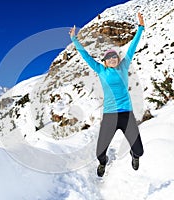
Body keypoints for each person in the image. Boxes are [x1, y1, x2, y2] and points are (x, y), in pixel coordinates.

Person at [69, 13, 145, 177]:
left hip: (126, 114)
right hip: (110, 115)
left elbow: (133, 46)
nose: (112, 59)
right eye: (109, 57)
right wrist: (74, 39)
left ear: (118, 59)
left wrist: (141, 27)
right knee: (99, 153)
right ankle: (103, 163)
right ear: (104, 61)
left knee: (139, 150)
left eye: (115, 56)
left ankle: (134, 155)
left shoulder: (124, 66)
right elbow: (86, 56)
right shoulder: (101, 70)